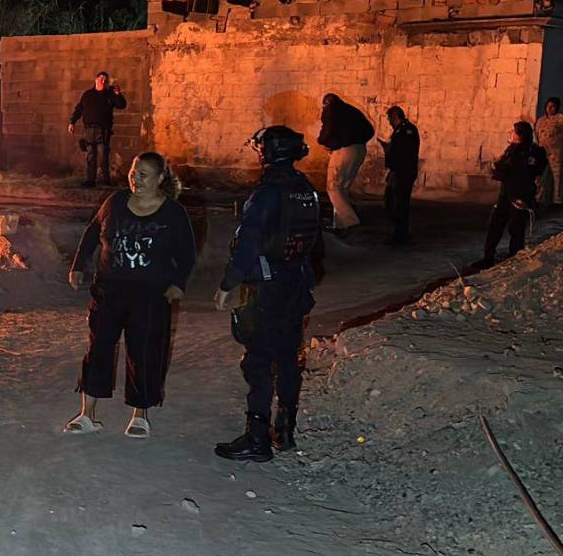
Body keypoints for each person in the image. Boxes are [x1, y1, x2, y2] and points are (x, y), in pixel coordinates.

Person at [65, 152, 195, 438]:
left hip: (150, 295)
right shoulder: (116, 202)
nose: (136, 179)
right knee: (99, 348)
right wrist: (78, 265)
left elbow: (187, 253)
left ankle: (140, 414)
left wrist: (178, 284)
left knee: (144, 351)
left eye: (144, 174)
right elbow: (92, 233)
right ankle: (87, 414)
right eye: (134, 172)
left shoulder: (173, 213)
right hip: (109, 289)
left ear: (160, 178)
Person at [214, 126, 322, 462]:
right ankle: (284, 430)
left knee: (259, 360)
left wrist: (227, 284)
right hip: (297, 283)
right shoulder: (306, 189)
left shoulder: (266, 194)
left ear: (268, 152)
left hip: (267, 286)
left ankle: (257, 438)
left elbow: (248, 243)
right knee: (288, 358)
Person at [479, 121, 547, 266]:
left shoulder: (529, 152)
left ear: (521, 135)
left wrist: (498, 166)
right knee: (495, 226)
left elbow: (524, 173)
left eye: (514, 132)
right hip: (506, 194)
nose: (511, 134)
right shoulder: (513, 150)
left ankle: (513, 260)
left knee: (516, 229)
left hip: (519, 196)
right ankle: (488, 257)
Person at [317, 93, 374, 234]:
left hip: (344, 151)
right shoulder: (351, 110)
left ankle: (350, 222)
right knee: (342, 188)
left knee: (333, 187)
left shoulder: (332, 110)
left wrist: (325, 141)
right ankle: (340, 225)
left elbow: (327, 131)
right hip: (359, 150)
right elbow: (370, 130)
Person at [67, 71, 127, 187]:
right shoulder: (88, 94)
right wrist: (72, 122)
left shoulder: (110, 95)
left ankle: (105, 180)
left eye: (105, 80)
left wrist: (118, 94)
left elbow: (122, 105)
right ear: (96, 80)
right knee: (90, 156)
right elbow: (79, 109)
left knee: (103, 156)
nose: (103, 81)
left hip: (103, 130)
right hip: (89, 130)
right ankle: (91, 180)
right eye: (101, 78)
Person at [377, 105, 420, 245]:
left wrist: (388, 150)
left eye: (389, 117)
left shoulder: (406, 130)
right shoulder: (401, 130)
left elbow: (403, 153)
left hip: (403, 172)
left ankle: (399, 235)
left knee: (398, 203)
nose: (389, 121)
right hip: (399, 171)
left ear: (395, 116)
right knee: (394, 201)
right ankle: (398, 232)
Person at [535, 97, 563, 209]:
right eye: (548, 106)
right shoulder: (541, 120)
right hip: (543, 152)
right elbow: (536, 134)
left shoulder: (561, 118)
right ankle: (539, 199)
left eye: (552, 106)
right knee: (541, 176)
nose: (549, 109)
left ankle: (557, 201)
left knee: (557, 177)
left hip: (556, 153)